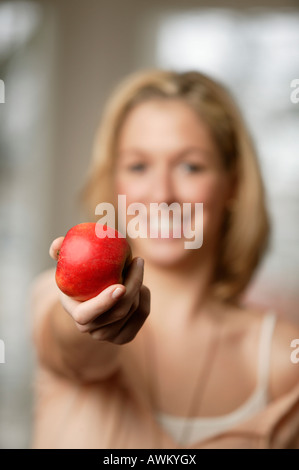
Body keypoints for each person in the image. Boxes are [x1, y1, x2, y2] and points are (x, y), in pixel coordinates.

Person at [30, 69, 299, 449]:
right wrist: (84, 316)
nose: (162, 194)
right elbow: (69, 341)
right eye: (138, 166)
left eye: (191, 166)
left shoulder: (286, 359)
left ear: (233, 184)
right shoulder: (53, 300)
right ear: (115, 181)